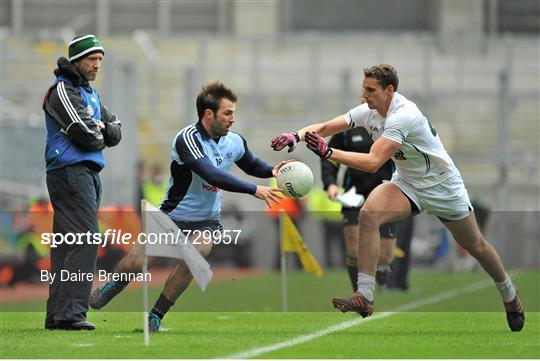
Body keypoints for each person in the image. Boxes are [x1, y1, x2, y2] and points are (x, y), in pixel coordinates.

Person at [271, 64, 525, 332]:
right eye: (363, 88)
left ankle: (509, 294)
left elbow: (372, 161)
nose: (364, 94)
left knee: (476, 247)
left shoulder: (403, 115)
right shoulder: (369, 112)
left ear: (389, 90)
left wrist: (328, 153)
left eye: (371, 90)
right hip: (408, 183)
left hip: (443, 187)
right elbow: (325, 126)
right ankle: (365, 296)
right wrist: (295, 135)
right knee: (368, 214)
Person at [89, 81, 286, 332]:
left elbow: (250, 163)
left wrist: (272, 170)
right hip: (172, 216)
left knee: (196, 254)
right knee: (136, 264)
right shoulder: (187, 139)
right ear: (209, 114)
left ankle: (156, 316)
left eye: (234, 112)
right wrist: (254, 189)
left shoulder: (234, 141)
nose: (233, 119)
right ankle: (114, 284)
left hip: (206, 221)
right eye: (228, 113)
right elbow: (211, 174)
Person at [42, 35, 122, 330]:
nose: (97, 65)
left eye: (100, 59)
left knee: (67, 245)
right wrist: (99, 129)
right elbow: (85, 134)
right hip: (70, 171)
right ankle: (73, 313)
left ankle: (58, 314)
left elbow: (117, 130)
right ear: (77, 60)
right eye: (92, 59)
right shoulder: (63, 90)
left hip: (86, 173)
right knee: (87, 239)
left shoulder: (91, 94)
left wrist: (98, 128)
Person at [320, 128, 398, 290]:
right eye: (364, 99)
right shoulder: (347, 129)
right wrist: (330, 182)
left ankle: (382, 267)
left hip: (386, 194)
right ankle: (360, 295)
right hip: (354, 194)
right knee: (355, 249)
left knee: (385, 255)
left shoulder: (391, 125)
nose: (367, 100)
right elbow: (329, 156)